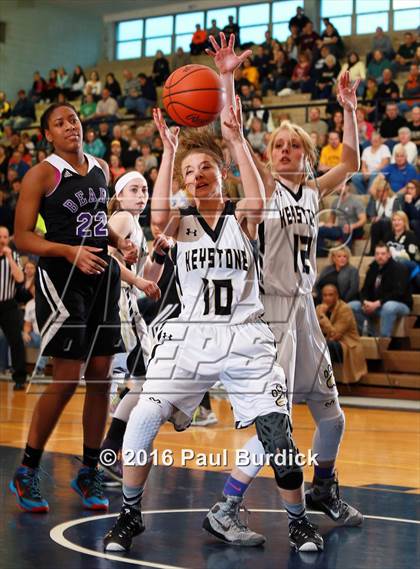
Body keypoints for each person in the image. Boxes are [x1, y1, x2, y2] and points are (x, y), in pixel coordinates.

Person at [103, 90, 322, 552]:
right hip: (190, 333)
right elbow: (158, 214)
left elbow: (259, 197)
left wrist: (236, 137)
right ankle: (129, 514)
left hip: (245, 336)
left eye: (205, 167)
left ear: (222, 174)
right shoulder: (177, 222)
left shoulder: (242, 217)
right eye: (189, 171)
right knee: (144, 415)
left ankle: (295, 520)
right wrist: (168, 153)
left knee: (277, 434)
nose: (197, 175)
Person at [204, 34, 363, 543]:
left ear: (307, 153)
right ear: (270, 155)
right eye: (279, 144)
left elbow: (354, 162)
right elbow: (232, 134)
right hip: (270, 314)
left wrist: (348, 110)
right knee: (278, 421)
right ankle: (228, 503)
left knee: (331, 417)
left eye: (295, 144)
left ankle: (322, 489)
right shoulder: (264, 186)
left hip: (305, 310)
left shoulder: (313, 189)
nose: (287, 149)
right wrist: (227, 78)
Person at [9, 102, 138, 513]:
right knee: (67, 379)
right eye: (60, 123)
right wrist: (68, 251)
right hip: (62, 280)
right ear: (48, 134)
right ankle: (27, 469)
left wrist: (121, 244)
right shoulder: (41, 174)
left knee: (100, 378)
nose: (70, 127)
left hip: (102, 278)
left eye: (74, 120)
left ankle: (89, 469)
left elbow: (98, 220)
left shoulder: (99, 166)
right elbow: (22, 238)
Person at [349, 243, 412, 337]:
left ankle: (384, 339)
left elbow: (399, 293)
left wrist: (378, 303)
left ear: (389, 254)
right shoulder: (372, 268)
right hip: (376, 304)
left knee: (389, 306)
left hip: (400, 304)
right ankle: (372, 334)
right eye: (377, 254)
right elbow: (364, 290)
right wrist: (364, 302)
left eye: (383, 254)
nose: (380, 256)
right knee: (351, 306)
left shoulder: (399, 268)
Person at [316, 284, 367, 383]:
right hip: (328, 341)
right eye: (325, 295)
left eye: (330, 295)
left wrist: (322, 316)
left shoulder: (345, 309)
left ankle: (326, 382)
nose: (327, 298)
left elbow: (335, 335)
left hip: (347, 344)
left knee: (327, 345)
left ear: (337, 296)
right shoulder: (319, 308)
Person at [0, 225, 27, 389]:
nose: (2, 240)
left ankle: (19, 379)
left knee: (16, 342)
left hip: (8, 305)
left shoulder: (14, 256)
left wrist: (9, 259)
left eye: (5, 237)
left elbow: (20, 279)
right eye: (0, 236)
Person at [317, 180, 367, 256]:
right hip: (339, 229)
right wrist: (325, 224)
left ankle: (347, 255)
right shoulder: (335, 202)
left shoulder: (355, 202)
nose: (340, 188)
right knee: (319, 230)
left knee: (346, 229)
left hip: (355, 229)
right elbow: (331, 221)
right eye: (338, 186)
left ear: (348, 187)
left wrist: (352, 226)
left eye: (342, 186)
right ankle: (321, 253)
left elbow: (363, 220)